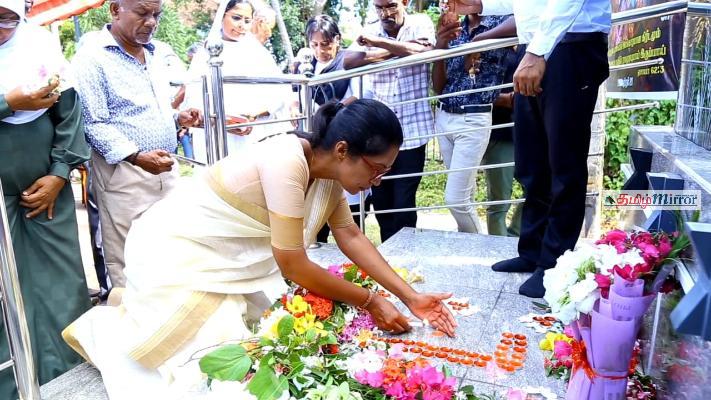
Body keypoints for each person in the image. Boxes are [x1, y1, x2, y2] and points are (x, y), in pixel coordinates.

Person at [63, 99, 458, 399]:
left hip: (227, 263)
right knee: (211, 363)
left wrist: (411, 298)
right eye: (376, 169)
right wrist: (370, 301)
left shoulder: (328, 176)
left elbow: (351, 236)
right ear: (342, 150)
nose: (378, 181)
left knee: (258, 341)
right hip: (174, 253)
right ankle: (107, 324)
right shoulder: (286, 160)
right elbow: (293, 264)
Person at [453, 0, 610, 297]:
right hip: (536, 45)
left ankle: (554, 264)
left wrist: (537, 51)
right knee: (532, 163)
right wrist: (481, 5)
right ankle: (532, 251)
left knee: (564, 164)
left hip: (571, 43)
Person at [73, 0, 203, 289]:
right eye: (142, 13)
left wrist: (177, 118)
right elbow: (93, 123)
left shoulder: (153, 54)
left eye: (157, 14)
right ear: (115, 10)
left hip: (165, 168)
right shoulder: (92, 58)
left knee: (171, 255)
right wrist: (136, 156)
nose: (151, 22)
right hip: (125, 174)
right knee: (130, 262)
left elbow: (146, 110)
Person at [0, 0, 91, 397]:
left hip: (45, 192)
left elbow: (70, 115)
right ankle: (11, 386)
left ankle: (65, 380)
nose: (0, 29)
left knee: (60, 285)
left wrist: (58, 173)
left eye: (7, 20)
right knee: (5, 294)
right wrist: (9, 103)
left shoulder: (39, 46)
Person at [344, 0, 436, 242]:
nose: (385, 13)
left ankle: (406, 254)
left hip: (413, 130)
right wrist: (398, 50)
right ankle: (387, 256)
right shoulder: (370, 27)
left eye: (391, 6)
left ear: (404, 2)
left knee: (404, 204)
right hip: (379, 135)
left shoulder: (420, 22)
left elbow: (425, 51)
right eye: (379, 7)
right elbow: (349, 62)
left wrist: (376, 46)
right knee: (382, 203)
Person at [431, 12, 513, 233]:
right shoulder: (456, 27)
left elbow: (523, 22)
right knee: (465, 197)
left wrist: (478, 40)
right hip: (444, 115)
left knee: (456, 200)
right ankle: (466, 244)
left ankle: (478, 246)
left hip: (474, 118)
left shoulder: (500, 19)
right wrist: (441, 45)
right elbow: (439, 88)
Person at [184, 0, 295, 159]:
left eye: (247, 20)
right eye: (236, 18)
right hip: (218, 133)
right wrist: (225, 120)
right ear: (222, 16)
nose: (242, 25)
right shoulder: (205, 54)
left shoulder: (258, 52)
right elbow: (194, 96)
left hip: (254, 132)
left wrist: (256, 114)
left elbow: (280, 90)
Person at [298, 15, 372, 244]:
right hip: (318, 142)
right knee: (315, 208)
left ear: (337, 40)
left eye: (325, 44)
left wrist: (330, 112)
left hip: (345, 137)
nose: (320, 50)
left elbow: (360, 95)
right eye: (314, 45)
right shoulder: (307, 67)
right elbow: (297, 97)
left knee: (349, 212)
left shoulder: (347, 62)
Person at [482, 47, 522, 237]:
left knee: (538, 188)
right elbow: (474, 89)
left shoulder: (534, 44)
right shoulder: (491, 46)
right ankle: (498, 246)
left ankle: (515, 236)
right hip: (500, 132)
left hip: (529, 130)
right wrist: (509, 99)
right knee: (499, 199)